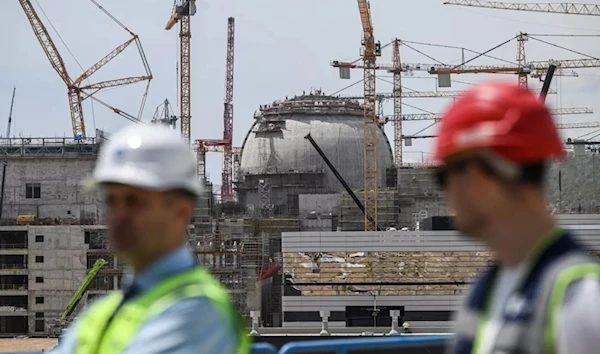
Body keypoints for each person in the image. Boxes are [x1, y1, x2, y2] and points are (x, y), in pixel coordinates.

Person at [432, 81, 600, 354]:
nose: (444, 196)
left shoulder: (582, 299)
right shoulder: (484, 290)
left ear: (477, 178)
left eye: (442, 178)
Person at [51, 124, 250, 354]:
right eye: (111, 201)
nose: (119, 215)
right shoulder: (102, 314)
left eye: (135, 201)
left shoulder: (198, 311)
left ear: (181, 212)